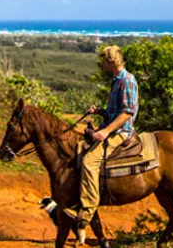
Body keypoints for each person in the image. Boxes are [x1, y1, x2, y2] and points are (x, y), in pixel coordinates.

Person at [63, 45, 139, 243]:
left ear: (110, 62)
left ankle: (85, 213)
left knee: (89, 160)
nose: (102, 65)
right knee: (80, 150)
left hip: (120, 132)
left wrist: (105, 131)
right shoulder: (116, 81)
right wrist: (100, 112)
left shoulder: (127, 80)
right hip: (111, 127)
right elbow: (115, 111)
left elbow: (127, 112)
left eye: (103, 61)